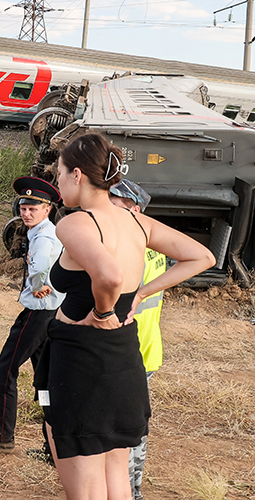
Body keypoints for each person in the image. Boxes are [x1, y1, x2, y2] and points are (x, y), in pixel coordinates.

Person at [34, 134, 214, 500]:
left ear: (78, 175)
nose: (57, 183)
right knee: (116, 474)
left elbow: (109, 276)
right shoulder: (136, 222)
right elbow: (202, 257)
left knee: (84, 485)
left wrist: (102, 312)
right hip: (124, 357)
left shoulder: (75, 223)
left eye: (60, 174)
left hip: (81, 361)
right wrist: (145, 290)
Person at [0, 177, 64, 453]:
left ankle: (2, 438)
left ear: (47, 210)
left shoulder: (44, 238)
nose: (26, 213)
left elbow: (40, 269)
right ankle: (54, 447)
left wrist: (37, 286)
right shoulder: (45, 233)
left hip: (38, 315)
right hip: (50, 315)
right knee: (44, 380)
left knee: (5, 371)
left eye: (33, 208)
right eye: (23, 208)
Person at [109, 179, 166, 500]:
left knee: (123, 431)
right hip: (144, 351)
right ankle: (133, 489)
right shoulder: (154, 247)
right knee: (133, 428)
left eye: (115, 202)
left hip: (130, 353)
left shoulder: (128, 247)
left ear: (135, 208)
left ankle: (130, 493)